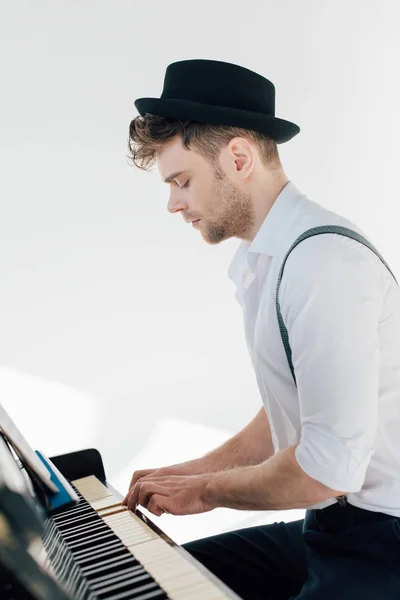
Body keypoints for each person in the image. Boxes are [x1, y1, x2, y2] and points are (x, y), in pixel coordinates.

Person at [122, 59, 400, 599]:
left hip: (385, 540)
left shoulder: (322, 263)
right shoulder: (266, 259)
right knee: (150, 585)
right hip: (333, 527)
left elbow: (326, 471)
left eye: (182, 181)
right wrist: (192, 471)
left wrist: (206, 491)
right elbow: (291, 413)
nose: (174, 203)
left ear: (239, 158)